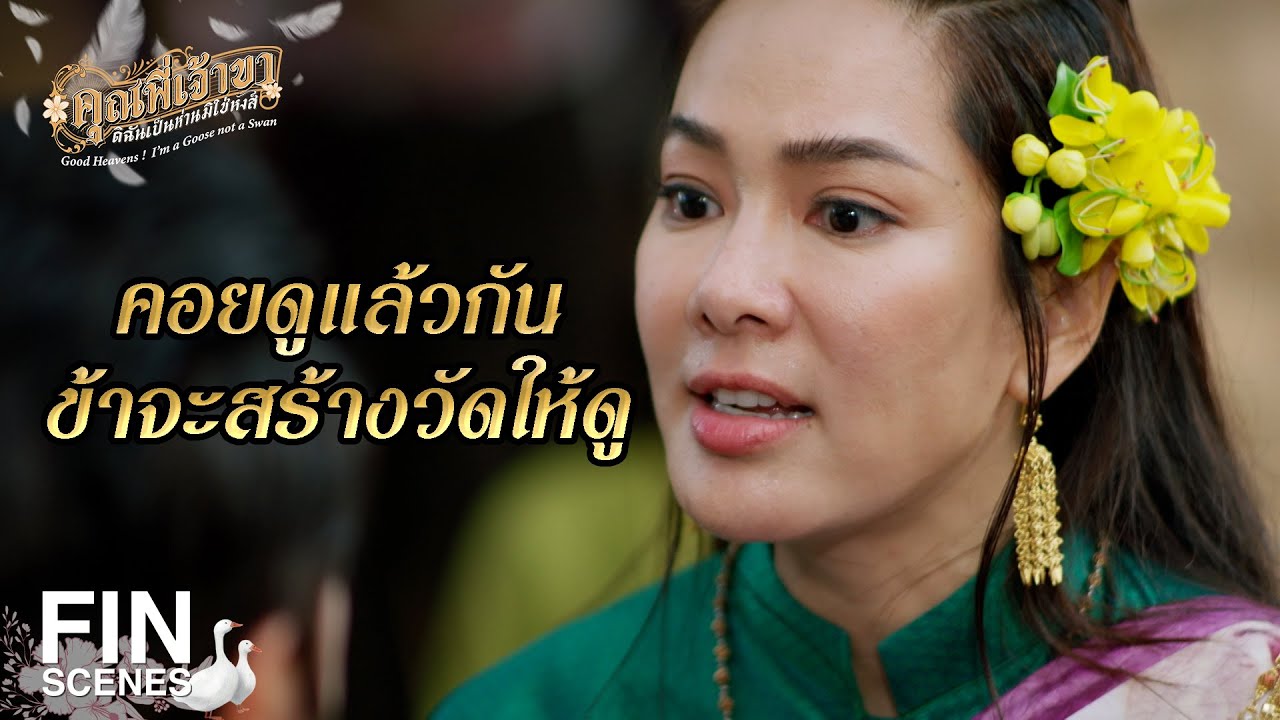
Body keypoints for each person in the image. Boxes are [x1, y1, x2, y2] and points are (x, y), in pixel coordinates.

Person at [430, 0, 1280, 717]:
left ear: (1059, 308)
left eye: (846, 215)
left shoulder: (1223, 696)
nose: (724, 289)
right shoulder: (534, 705)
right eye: (690, 199)